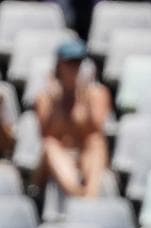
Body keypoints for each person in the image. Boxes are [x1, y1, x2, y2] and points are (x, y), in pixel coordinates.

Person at [34, 39, 110, 199]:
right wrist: (56, 103)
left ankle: (90, 196)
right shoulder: (46, 97)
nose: (74, 69)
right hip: (58, 158)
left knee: (96, 142)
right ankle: (76, 193)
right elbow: (44, 133)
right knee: (50, 145)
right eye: (69, 63)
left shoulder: (96, 94)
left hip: (85, 156)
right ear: (59, 66)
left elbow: (97, 128)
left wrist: (84, 99)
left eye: (78, 63)